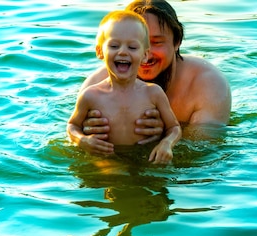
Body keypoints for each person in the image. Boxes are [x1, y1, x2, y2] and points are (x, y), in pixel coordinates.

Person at [68, 0, 231, 157]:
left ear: (177, 42)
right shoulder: (95, 86)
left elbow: (201, 153)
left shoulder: (208, 84)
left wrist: (163, 137)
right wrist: (85, 137)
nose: (148, 52)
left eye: (157, 42)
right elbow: (74, 141)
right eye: (137, 43)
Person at [67, 10, 182, 164]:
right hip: (107, 158)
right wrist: (82, 141)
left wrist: (166, 144)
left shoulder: (153, 93)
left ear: (145, 55)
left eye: (133, 47)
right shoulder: (91, 96)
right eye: (114, 46)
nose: (122, 52)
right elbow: (72, 126)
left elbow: (174, 128)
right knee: (116, 178)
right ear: (100, 51)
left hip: (146, 158)